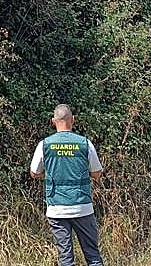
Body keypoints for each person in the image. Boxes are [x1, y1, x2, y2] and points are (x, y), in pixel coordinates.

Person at [29, 104, 104, 266]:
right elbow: (97, 173)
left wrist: (49, 173)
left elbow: (34, 173)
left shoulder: (44, 144)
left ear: (53, 121)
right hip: (82, 207)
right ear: (73, 120)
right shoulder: (85, 143)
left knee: (66, 258)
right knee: (93, 255)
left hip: (57, 209)